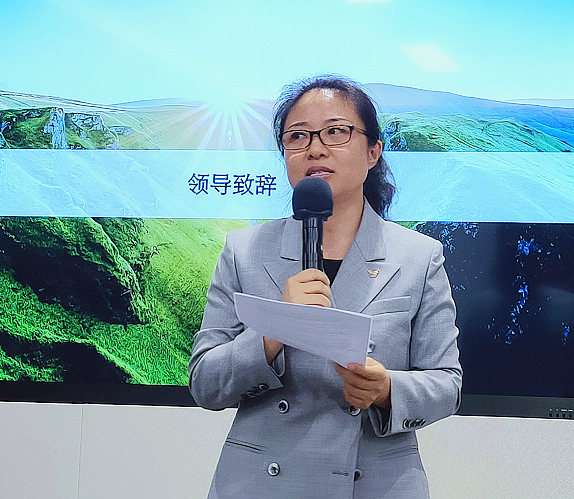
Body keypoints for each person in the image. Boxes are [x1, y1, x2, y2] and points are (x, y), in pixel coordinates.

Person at [189, 76, 461, 499]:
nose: (315, 148)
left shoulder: (419, 256)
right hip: (261, 483)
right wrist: (273, 330)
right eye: (298, 136)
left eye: (336, 131)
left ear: (373, 151)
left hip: (373, 483)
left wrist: (387, 390)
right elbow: (205, 382)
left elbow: (447, 385)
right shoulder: (243, 251)